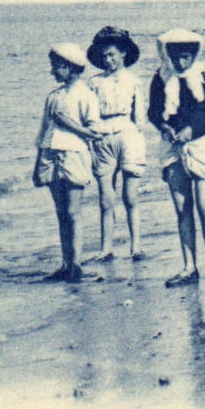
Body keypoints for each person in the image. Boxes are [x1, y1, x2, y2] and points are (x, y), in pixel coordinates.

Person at [148, 29, 205, 288]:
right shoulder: (161, 77)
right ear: (167, 56)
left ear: (194, 54)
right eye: (175, 57)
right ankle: (189, 267)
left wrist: (192, 130)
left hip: (203, 144)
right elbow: (153, 112)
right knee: (182, 208)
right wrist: (164, 127)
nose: (181, 62)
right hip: (172, 146)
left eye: (185, 56)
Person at [35, 43, 101, 282]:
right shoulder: (53, 96)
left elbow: (95, 132)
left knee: (73, 212)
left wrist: (68, 124)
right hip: (51, 154)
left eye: (56, 67)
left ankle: (76, 264)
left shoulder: (86, 95)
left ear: (70, 67)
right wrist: (38, 164)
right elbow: (44, 132)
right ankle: (66, 264)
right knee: (61, 212)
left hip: (74, 154)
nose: (52, 71)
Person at [85, 26, 149, 262]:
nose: (108, 60)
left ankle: (136, 246)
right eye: (104, 56)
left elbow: (139, 118)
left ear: (123, 53)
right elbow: (90, 114)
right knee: (105, 198)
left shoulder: (133, 81)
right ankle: (106, 248)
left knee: (130, 196)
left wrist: (137, 136)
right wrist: (92, 138)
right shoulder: (94, 82)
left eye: (111, 55)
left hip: (128, 135)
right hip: (102, 136)